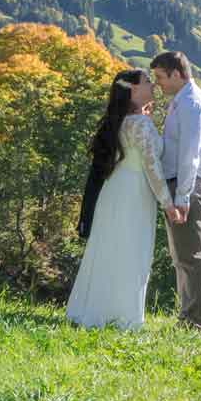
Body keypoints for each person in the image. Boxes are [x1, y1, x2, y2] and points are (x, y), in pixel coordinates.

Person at [65, 69, 176, 329]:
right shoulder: (141, 124)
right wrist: (168, 203)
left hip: (114, 189)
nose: (153, 86)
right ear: (134, 90)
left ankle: (93, 311)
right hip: (135, 192)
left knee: (108, 250)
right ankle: (123, 318)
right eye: (148, 82)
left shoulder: (121, 121)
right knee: (131, 252)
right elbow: (152, 166)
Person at [151, 50, 201, 334]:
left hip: (188, 185)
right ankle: (188, 317)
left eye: (160, 77)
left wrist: (181, 198)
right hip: (182, 184)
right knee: (182, 256)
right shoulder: (181, 102)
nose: (158, 84)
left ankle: (197, 323)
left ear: (176, 74)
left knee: (192, 256)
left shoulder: (191, 104)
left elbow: (190, 156)